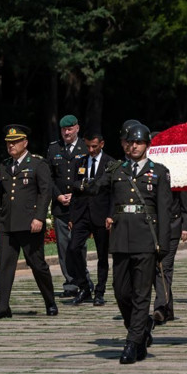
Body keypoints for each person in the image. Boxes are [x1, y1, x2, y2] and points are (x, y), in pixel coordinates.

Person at [87, 123, 172, 363]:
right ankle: (142, 325)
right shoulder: (117, 170)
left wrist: (162, 245)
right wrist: (76, 186)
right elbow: (96, 188)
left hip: (146, 239)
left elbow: (164, 211)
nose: (133, 146)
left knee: (141, 293)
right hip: (121, 238)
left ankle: (132, 342)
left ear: (147, 145)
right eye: (130, 142)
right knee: (121, 291)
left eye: (139, 142)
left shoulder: (159, 172)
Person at [0, 125, 58, 319]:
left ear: (25, 143)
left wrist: (40, 217)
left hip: (29, 224)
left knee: (37, 264)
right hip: (8, 225)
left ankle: (50, 302)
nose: (11, 145)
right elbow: (0, 196)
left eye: (15, 142)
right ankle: (2, 307)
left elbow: (45, 192)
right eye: (9, 142)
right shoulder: (5, 165)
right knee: (4, 265)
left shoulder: (37, 164)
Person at [67, 130, 114, 306]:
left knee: (102, 255)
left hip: (101, 214)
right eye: (88, 146)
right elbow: (75, 189)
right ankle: (84, 286)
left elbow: (113, 193)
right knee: (73, 248)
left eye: (94, 146)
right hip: (82, 213)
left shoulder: (110, 163)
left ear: (101, 144)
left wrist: (111, 215)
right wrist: (72, 216)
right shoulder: (80, 161)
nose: (91, 150)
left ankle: (100, 291)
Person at [47, 114, 91, 296]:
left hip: (79, 205)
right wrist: (57, 196)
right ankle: (71, 283)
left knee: (78, 245)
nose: (66, 132)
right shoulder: (53, 148)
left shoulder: (85, 147)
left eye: (70, 128)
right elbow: (48, 177)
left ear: (77, 128)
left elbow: (91, 175)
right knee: (64, 246)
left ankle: (84, 279)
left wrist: (77, 193)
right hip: (61, 206)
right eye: (64, 129)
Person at [153, 190, 187, 324]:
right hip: (154, 229)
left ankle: (160, 307)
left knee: (164, 266)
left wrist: (186, 226)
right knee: (156, 268)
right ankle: (168, 310)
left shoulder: (178, 178)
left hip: (173, 227)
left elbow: (186, 204)